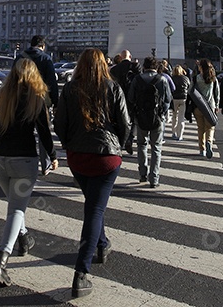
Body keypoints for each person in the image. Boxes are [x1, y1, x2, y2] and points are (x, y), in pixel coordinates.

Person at [0, 57, 57, 288]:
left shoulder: (2, 95)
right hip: (23, 160)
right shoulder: (37, 99)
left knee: (14, 205)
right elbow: (44, 133)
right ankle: (1, 261)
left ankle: (24, 237)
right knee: (17, 208)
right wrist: (53, 157)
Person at [54, 47, 130, 299]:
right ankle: (81, 272)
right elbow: (125, 124)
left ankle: (102, 243)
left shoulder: (70, 88)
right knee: (95, 209)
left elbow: (59, 123)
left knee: (94, 205)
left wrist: (68, 145)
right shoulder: (113, 87)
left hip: (78, 158)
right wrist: (118, 145)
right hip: (106, 158)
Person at [127, 56, 172, 187]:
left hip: (141, 117)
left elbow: (131, 98)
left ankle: (142, 174)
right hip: (157, 118)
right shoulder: (162, 79)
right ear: (156, 67)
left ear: (144, 67)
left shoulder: (137, 79)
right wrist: (162, 112)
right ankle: (154, 178)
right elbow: (168, 99)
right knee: (156, 148)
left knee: (141, 145)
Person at [109, 49, 139, 155]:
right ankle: (130, 139)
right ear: (130, 57)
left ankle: (119, 140)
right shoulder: (136, 67)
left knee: (118, 119)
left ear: (120, 58)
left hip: (117, 98)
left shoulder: (114, 70)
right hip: (132, 98)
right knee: (133, 119)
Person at [193, 59, 220, 159]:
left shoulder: (196, 78)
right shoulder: (213, 78)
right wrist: (217, 105)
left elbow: (190, 90)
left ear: (201, 67)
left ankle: (202, 149)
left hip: (198, 106)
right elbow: (217, 93)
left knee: (200, 128)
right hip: (210, 106)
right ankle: (209, 142)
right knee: (210, 127)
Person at [24, 34, 59, 108]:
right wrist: (55, 102)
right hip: (40, 98)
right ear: (43, 46)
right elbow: (51, 81)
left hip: (22, 97)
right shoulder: (46, 59)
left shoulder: (20, 57)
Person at [168, 64, 192, 140]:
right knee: (181, 117)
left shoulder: (172, 78)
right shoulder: (185, 78)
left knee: (174, 116)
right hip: (183, 98)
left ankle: (173, 133)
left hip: (174, 98)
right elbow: (189, 88)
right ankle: (180, 135)